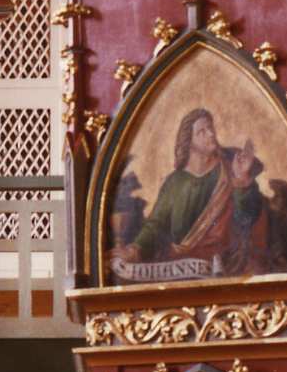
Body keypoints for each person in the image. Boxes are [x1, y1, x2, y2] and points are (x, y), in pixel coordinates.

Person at [111, 104, 265, 275]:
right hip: (181, 267)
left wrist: (242, 182)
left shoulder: (231, 170)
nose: (211, 134)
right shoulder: (175, 182)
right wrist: (136, 249)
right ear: (189, 142)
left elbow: (246, 219)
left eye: (211, 128)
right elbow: (156, 225)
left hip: (227, 266)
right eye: (202, 132)